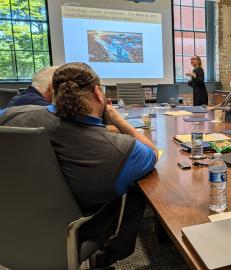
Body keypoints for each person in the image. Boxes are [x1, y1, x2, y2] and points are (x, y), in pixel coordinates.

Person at [0, 62, 158, 267]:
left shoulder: (14, 115)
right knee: (134, 188)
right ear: (98, 93)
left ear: (53, 92)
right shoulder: (118, 150)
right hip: (72, 231)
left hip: (10, 221)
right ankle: (110, 254)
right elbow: (153, 153)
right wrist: (119, 121)